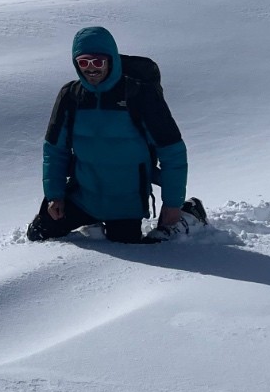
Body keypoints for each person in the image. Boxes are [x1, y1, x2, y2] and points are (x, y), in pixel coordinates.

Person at [28, 25, 201, 243]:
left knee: (131, 247)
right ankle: (93, 222)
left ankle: (191, 212)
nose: (91, 69)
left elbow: (172, 152)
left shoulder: (139, 94)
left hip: (125, 203)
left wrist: (172, 204)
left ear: (111, 60)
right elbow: (55, 150)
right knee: (38, 234)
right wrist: (55, 196)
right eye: (84, 62)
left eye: (97, 62)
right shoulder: (70, 97)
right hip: (83, 197)